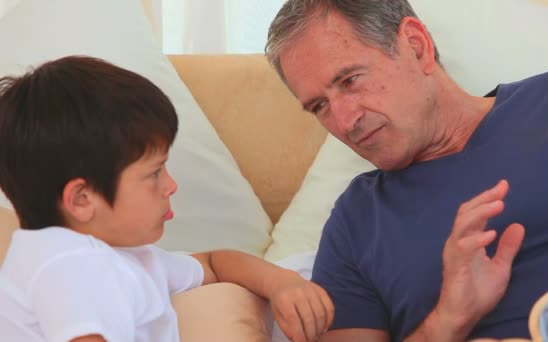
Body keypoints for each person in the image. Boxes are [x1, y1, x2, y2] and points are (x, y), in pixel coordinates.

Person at [265, 0, 548, 341]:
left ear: (416, 46)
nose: (343, 120)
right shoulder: (354, 223)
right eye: (319, 106)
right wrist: (448, 319)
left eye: (350, 80)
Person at [0, 55, 333, 342]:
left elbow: (214, 262)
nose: (171, 185)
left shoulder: (127, 258)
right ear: (83, 199)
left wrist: (282, 283)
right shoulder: (72, 264)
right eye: (155, 172)